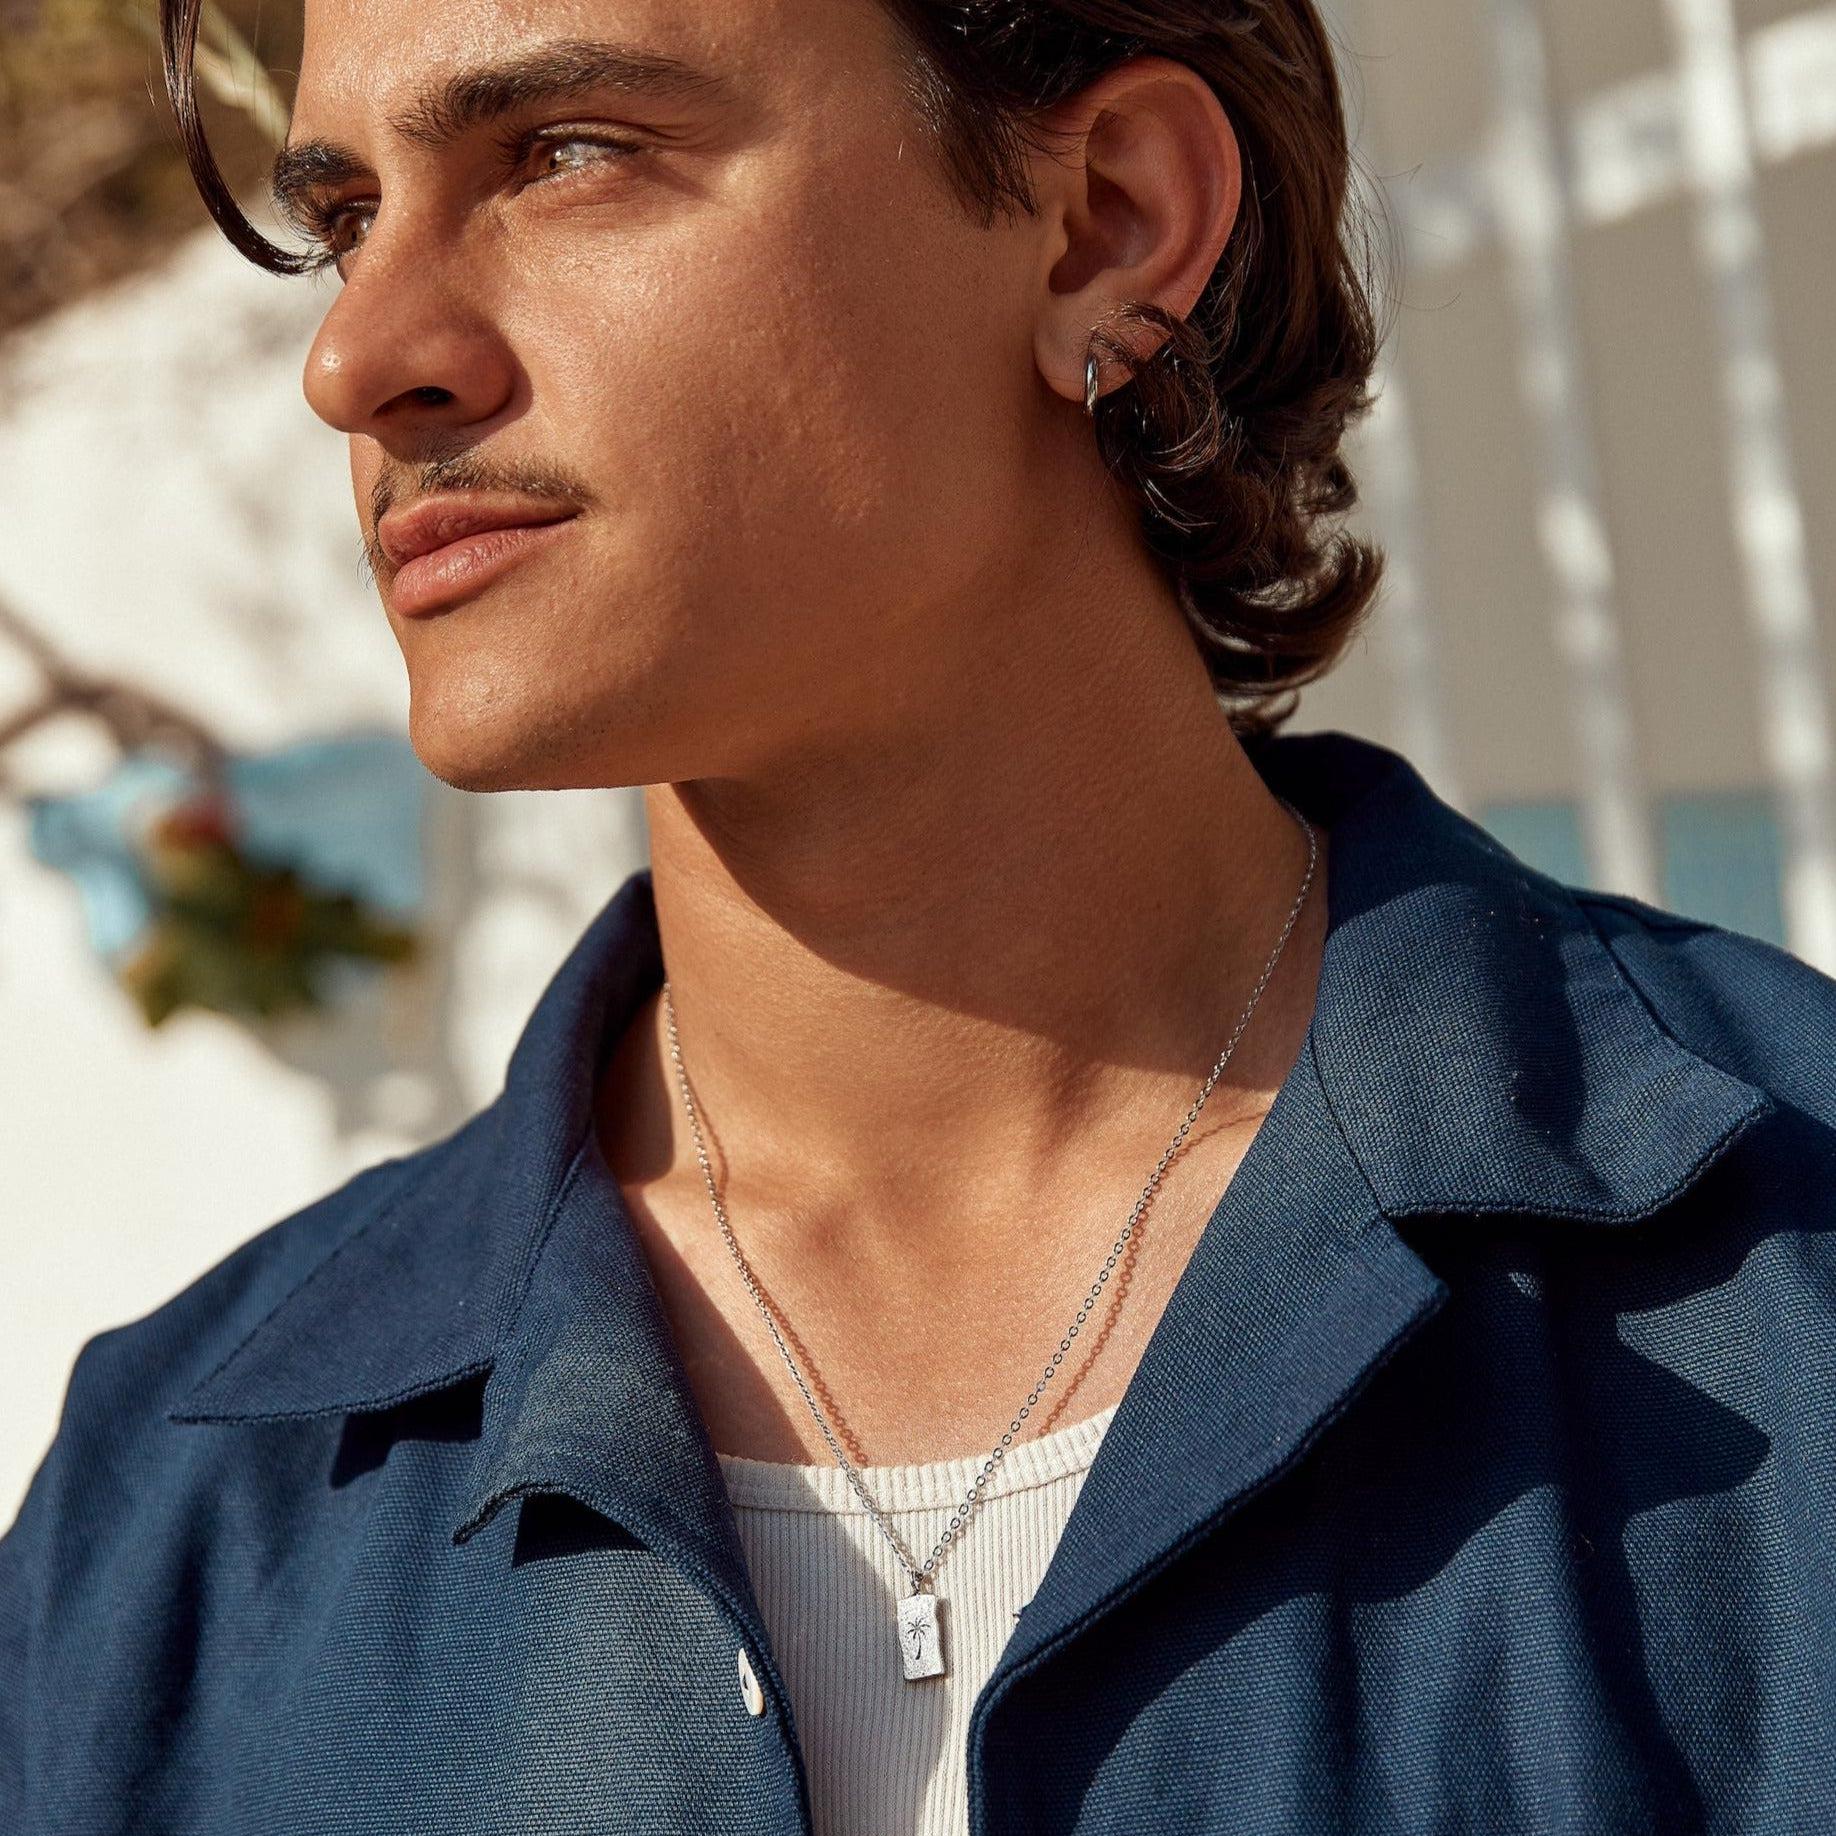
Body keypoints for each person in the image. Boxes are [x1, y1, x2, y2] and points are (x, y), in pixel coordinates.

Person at [5, 0, 1834, 1829]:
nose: (358, 355)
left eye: (567, 154)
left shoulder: (1786, 1284)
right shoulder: (180, 1526)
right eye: (342, 222)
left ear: (1108, 224)